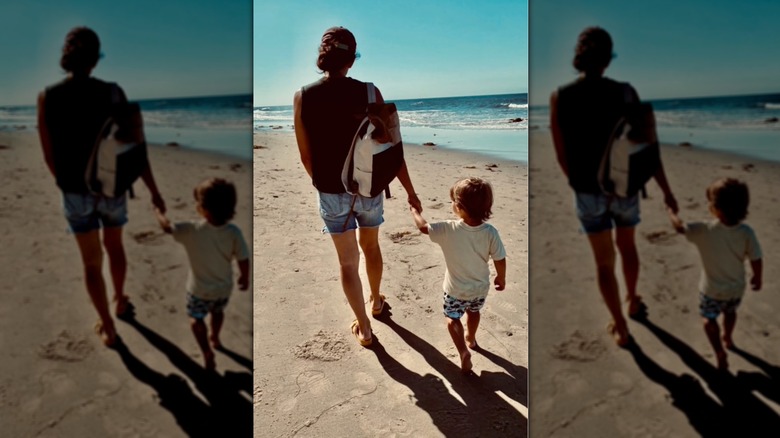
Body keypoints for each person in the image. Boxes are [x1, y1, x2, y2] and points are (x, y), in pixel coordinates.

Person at [293, 26, 422, 347]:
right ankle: (376, 300)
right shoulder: (369, 92)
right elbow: (392, 149)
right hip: (368, 187)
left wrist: (327, 184)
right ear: (351, 59)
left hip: (330, 191)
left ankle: (364, 328)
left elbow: (305, 156)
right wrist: (410, 191)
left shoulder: (303, 96)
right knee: (371, 247)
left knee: (347, 262)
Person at [37, 27, 166, 346]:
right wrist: (154, 190)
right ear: (95, 59)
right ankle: (120, 299)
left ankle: (108, 326)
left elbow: (48, 152)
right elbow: (136, 147)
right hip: (111, 187)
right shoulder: (112, 93)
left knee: (90, 262)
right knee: (115, 246)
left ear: (66, 57)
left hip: (73, 191)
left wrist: (68, 184)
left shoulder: (48, 97)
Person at [549, 27, 678, 346]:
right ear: (607, 58)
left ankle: (620, 326)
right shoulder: (624, 92)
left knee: (603, 262)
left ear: (579, 56)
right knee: (628, 247)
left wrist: (579, 182)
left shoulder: (561, 96)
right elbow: (649, 147)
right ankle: (633, 299)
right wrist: (666, 190)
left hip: (586, 190)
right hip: (624, 186)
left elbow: (560, 151)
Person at [410, 177, 506, 373]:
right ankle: (471, 338)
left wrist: (415, 211)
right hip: (479, 288)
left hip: (455, 290)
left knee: (452, 318)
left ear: (460, 207)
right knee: (474, 312)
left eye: (453, 201)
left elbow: (423, 227)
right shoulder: (490, 232)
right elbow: (500, 258)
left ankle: (463, 351)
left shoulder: (448, 229)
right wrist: (501, 277)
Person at [154, 178, 250, 370]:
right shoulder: (233, 232)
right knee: (218, 312)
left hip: (198, 290)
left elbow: (167, 227)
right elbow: (243, 258)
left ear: (203, 208)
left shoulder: (191, 230)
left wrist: (159, 212)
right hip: (223, 288)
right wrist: (244, 276)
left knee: (196, 319)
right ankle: (215, 337)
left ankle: (207, 350)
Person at [667, 178, 762, 370]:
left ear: (715, 207)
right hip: (736, 288)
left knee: (708, 319)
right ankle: (728, 337)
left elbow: (679, 227)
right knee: (730, 312)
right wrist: (757, 277)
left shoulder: (704, 230)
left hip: (711, 290)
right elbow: (756, 257)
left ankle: (719, 351)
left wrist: (672, 213)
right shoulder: (746, 232)